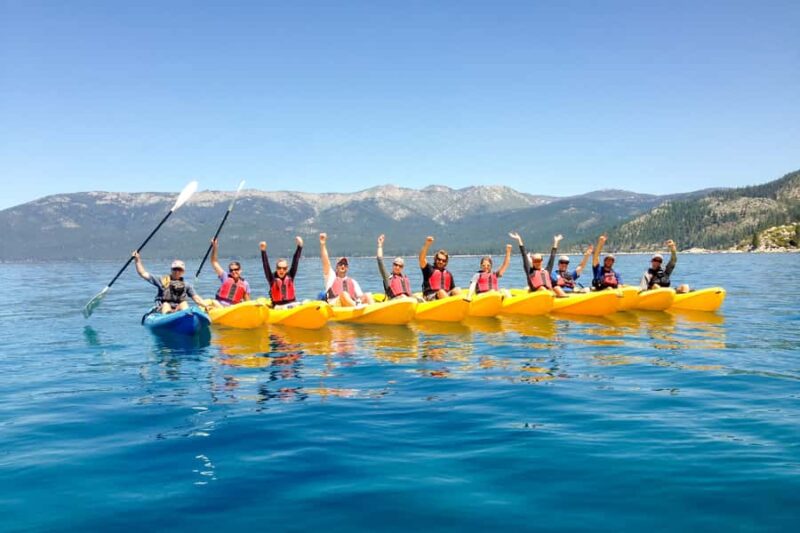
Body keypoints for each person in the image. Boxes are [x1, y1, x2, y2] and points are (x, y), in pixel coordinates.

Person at [132, 252, 208, 313]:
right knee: (166, 305)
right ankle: (167, 318)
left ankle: (185, 317)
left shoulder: (186, 285)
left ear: (183, 272)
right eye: (175, 269)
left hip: (178, 309)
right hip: (164, 308)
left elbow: (196, 298)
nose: (177, 272)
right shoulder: (162, 280)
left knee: (184, 304)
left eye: (179, 270)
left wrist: (206, 306)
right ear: (171, 270)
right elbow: (143, 274)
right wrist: (137, 260)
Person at [320, 233, 373, 307]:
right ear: (336, 267)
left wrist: (364, 299)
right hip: (335, 306)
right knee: (344, 294)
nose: (343, 266)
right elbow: (326, 262)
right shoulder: (331, 277)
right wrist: (323, 244)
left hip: (351, 305)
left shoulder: (353, 281)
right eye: (340, 264)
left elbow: (360, 296)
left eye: (345, 264)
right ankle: (356, 307)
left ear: (347, 268)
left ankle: (378, 313)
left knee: (368, 295)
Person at [508, 231, 567, 296]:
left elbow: (552, 257)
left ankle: (566, 302)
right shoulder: (530, 271)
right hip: (536, 295)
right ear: (532, 262)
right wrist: (519, 239)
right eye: (535, 261)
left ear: (542, 261)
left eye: (539, 260)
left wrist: (556, 241)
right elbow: (524, 255)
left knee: (556, 287)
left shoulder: (547, 271)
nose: (537, 262)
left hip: (548, 294)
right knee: (542, 288)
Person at [261, 236, 303, 309]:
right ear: (276, 269)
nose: (281, 270)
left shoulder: (290, 275)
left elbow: (295, 261)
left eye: (284, 268)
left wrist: (300, 246)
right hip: (278, 307)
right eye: (279, 268)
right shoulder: (272, 278)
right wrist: (263, 251)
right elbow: (266, 266)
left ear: (287, 269)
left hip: (292, 304)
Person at [208, 238, 251, 308]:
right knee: (214, 302)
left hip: (233, 309)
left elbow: (248, 301)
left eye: (236, 269)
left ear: (240, 270)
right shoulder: (225, 276)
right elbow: (214, 262)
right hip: (220, 306)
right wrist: (215, 246)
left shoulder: (245, 284)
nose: (233, 271)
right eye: (231, 270)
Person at [419, 236, 461, 301]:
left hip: (445, 296)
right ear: (435, 259)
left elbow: (452, 289)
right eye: (439, 259)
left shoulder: (448, 274)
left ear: (446, 262)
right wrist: (427, 244)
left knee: (457, 290)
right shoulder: (429, 269)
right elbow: (422, 259)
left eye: (443, 260)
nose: (441, 262)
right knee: (441, 292)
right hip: (431, 296)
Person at [376, 234, 414, 300]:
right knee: (403, 297)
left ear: (402, 267)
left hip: (407, 301)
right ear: (393, 265)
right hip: (395, 302)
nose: (397, 267)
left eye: (400, 266)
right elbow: (380, 262)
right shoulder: (388, 277)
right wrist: (380, 245)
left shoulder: (404, 278)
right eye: (396, 265)